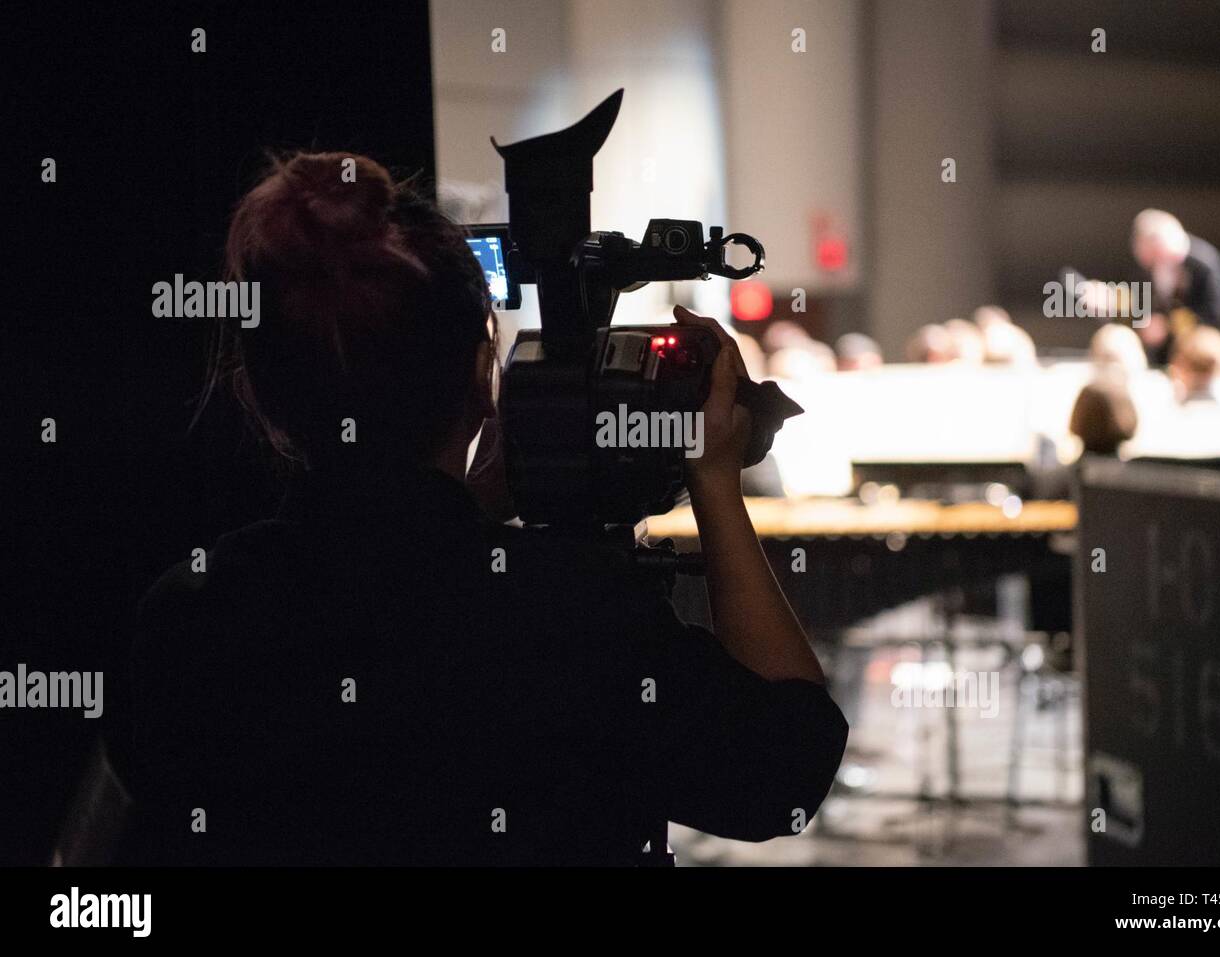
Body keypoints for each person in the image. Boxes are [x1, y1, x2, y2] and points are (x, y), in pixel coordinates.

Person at [119, 152, 847, 865]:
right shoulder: (570, 613)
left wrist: (467, 507)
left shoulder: (187, 616)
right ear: (479, 375)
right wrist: (714, 483)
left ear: (265, 396)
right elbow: (784, 770)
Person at [1129, 209, 1220, 364]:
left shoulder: (1204, 264)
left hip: (1198, 350)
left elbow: (1216, 315)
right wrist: (1143, 322)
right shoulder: (1148, 266)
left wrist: (1168, 325)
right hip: (1159, 353)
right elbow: (1138, 302)